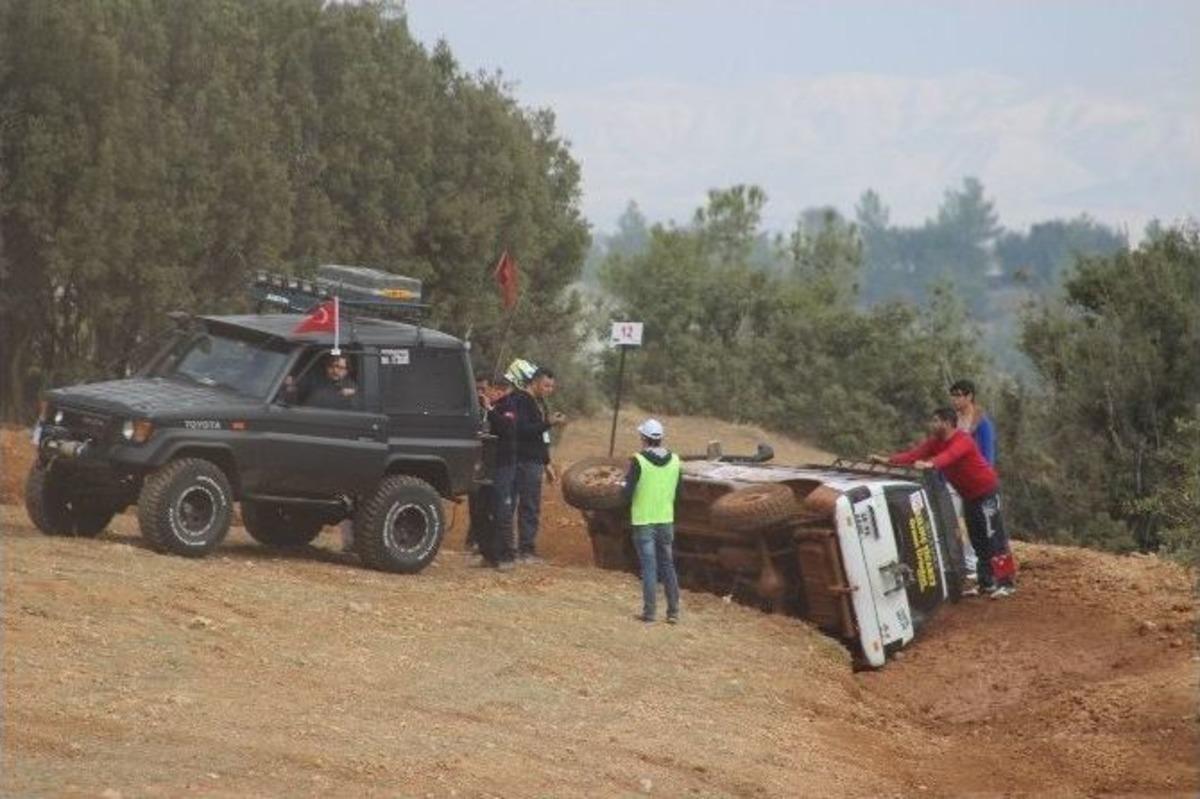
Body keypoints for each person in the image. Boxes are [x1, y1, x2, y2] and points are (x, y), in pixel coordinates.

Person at [879, 408, 1016, 598]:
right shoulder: (935, 442)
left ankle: (1006, 582)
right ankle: (987, 582)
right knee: (978, 540)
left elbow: (950, 456)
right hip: (969, 495)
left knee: (994, 537)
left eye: (936, 421)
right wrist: (888, 460)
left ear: (947, 423)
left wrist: (931, 463)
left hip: (986, 492)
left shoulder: (962, 440)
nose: (932, 425)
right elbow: (914, 455)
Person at [621, 419, 682, 623]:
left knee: (649, 567)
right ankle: (673, 612)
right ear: (661, 438)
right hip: (666, 520)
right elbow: (679, 493)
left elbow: (627, 493)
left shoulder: (638, 460)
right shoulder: (675, 460)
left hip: (643, 520)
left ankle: (649, 613)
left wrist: (621, 487)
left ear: (643, 438)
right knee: (668, 565)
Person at [508, 367, 566, 563]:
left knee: (529, 505)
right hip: (523, 460)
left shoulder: (540, 402)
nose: (549, 389)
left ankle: (523, 547)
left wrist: (546, 462)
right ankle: (522, 550)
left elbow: (541, 437)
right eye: (546, 385)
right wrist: (548, 423)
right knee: (524, 505)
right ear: (535, 382)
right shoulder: (521, 400)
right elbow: (523, 430)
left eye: (551, 387)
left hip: (535, 460)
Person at [947, 378, 996, 580]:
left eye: (959, 395)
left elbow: (987, 452)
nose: (955, 400)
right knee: (953, 522)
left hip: (975, 481)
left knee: (981, 525)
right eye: (953, 396)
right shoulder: (953, 422)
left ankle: (988, 569)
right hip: (954, 479)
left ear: (969, 396)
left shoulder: (981, 422)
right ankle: (966, 563)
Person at [465, 374, 493, 554]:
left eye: (483, 389)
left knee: (489, 504)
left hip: (491, 462)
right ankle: (472, 540)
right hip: (474, 462)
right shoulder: (469, 409)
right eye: (477, 389)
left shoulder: (494, 408)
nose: (479, 392)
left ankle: (481, 541)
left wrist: (489, 409)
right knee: (475, 503)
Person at [284, 353, 358, 410]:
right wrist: (291, 383)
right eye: (331, 366)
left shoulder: (351, 387)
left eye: (340, 368)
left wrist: (352, 395)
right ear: (326, 367)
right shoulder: (314, 379)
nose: (335, 371)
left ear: (347, 371)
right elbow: (298, 385)